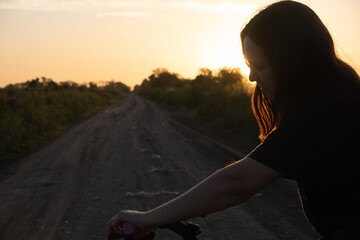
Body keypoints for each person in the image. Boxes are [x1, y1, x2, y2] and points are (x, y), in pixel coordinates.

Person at [108, 1, 360, 239]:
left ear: (291, 61)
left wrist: (149, 218)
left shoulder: (324, 108)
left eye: (259, 66)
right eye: (248, 65)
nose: (251, 77)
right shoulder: (340, 91)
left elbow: (237, 183)